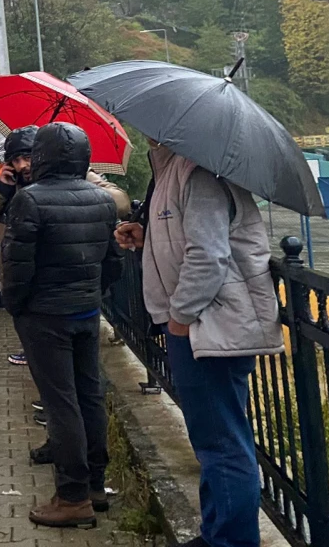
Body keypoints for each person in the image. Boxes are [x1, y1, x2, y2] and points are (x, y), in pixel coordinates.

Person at [116, 143, 283, 547]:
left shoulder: (199, 174)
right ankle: (217, 533)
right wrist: (146, 237)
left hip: (209, 328)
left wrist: (179, 319)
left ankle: (231, 540)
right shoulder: (175, 171)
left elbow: (208, 256)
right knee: (212, 440)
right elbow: (186, 238)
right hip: (200, 327)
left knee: (222, 444)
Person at [0, 122, 122, 529]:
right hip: (86, 313)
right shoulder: (103, 201)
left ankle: (71, 497)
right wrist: (90, 295)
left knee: (61, 404)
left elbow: (17, 268)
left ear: (41, 156)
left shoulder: (29, 201)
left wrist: (17, 307)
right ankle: (95, 486)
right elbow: (112, 265)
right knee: (89, 396)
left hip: (44, 316)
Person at [0, 126, 39, 313]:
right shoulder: (9, 182)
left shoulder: (65, 179)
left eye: (27, 158)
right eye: (16, 160)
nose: (21, 166)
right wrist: (2, 189)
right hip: (18, 284)